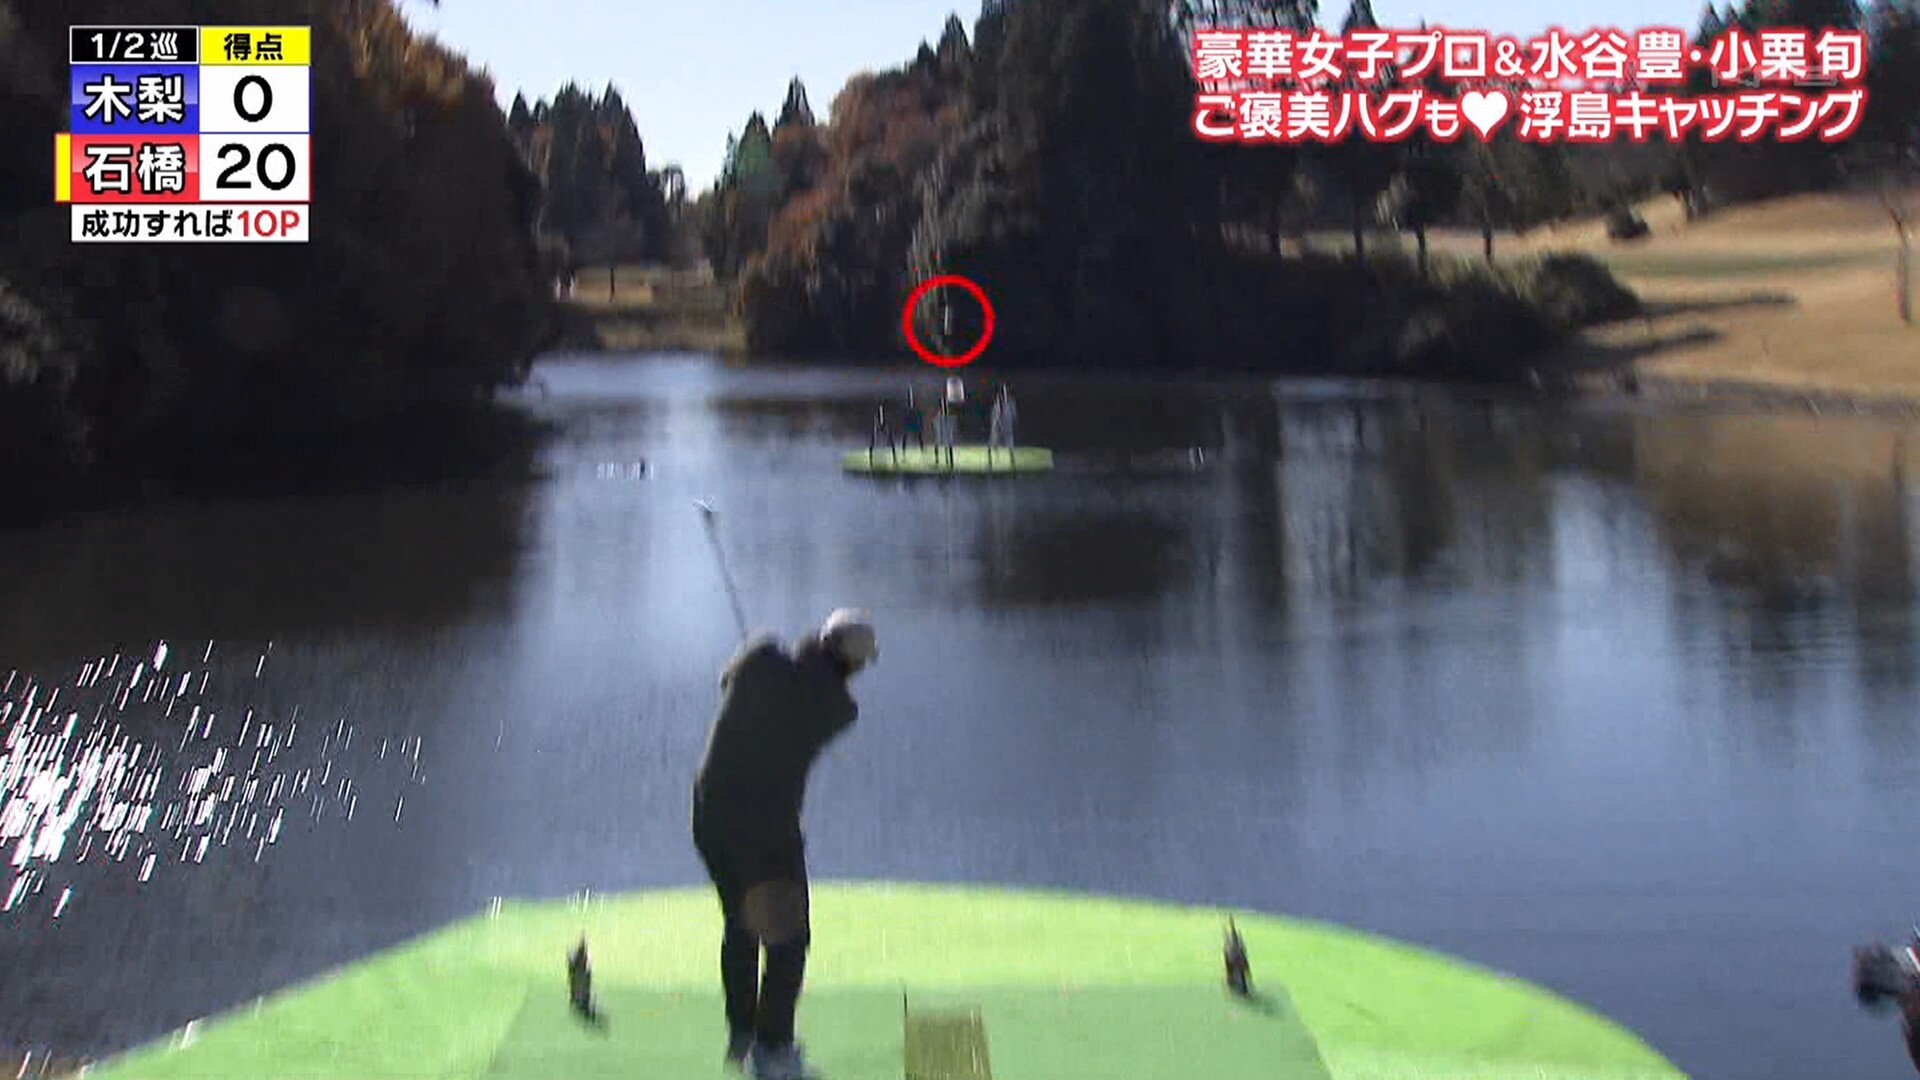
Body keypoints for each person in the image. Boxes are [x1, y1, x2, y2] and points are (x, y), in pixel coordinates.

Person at [692, 609, 880, 1080]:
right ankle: (772, 1051)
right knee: (788, 942)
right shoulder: (840, 710)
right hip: (768, 833)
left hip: (711, 817)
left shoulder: (761, 657)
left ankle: (742, 1034)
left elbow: (727, 680)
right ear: (854, 665)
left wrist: (761, 651)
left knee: (741, 923)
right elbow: (810, 695)